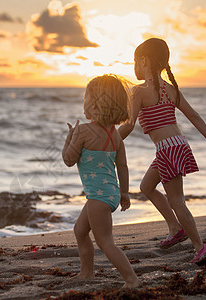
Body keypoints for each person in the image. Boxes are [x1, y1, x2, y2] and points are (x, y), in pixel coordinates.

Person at [118, 38, 206, 265]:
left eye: (135, 61)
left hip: (168, 149)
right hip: (178, 145)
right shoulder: (171, 90)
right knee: (146, 186)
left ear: (144, 61)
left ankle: (200, 247)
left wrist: (108, 142)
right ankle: (175, 228)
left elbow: (128, 125)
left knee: (177, 201)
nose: (133, 67)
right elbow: (193, 115)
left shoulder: (139, 92)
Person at [62, 74, 140, 288]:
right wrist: (124, 194)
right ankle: (87, 273)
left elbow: (69, 160)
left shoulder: (83, 131)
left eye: (86, 98)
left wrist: (69, 139)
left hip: (98, 198)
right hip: (109, 194)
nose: (84, 102)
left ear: (95, 104)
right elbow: (122, 166)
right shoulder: (115, 135)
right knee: (80, 230)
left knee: (105, 242)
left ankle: (132, 279)